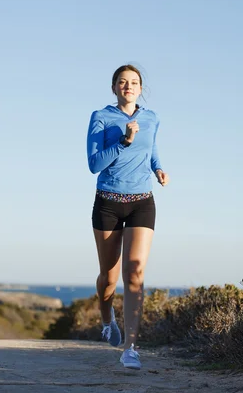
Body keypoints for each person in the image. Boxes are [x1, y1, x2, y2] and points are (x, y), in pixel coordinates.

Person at [86, 64, 169, 370]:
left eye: (134, 82)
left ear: (140, 88)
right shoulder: (101, 117)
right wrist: (123, 141)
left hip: (142, 202)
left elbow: (153, 149)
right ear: (114, 87)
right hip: (108, 202)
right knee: (109, 277)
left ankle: (130, 347)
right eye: (123, 82)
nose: (128, 86)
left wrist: (158, 168)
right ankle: (107, 317)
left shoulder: (151, 118)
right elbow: (94, 164)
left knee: (134, 272)